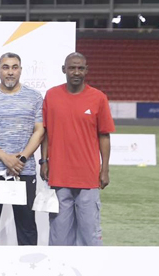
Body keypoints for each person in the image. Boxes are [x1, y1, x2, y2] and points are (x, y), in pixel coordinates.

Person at [40, 52, 114, 246]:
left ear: (86, 71)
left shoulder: (98, 98)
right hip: (59, 176)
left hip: (88, 177)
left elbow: (104, 135)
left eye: (80, 68)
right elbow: (45, 132)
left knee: (90, 235)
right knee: (59, 236)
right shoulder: (52, 95)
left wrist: (104, 169)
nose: (76, 72)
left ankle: (92, 274)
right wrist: (44, 160)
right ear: (64, 70)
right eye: (72, 67)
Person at [0, 52, 44, 246]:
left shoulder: (35, 97)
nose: (10, 72)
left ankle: (28, 270)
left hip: (23, 171)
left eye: (14, 67)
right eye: (5, 67)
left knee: (27, 226)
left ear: (20, 70)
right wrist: (5, 158)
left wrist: (21, 159)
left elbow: (39, 131)